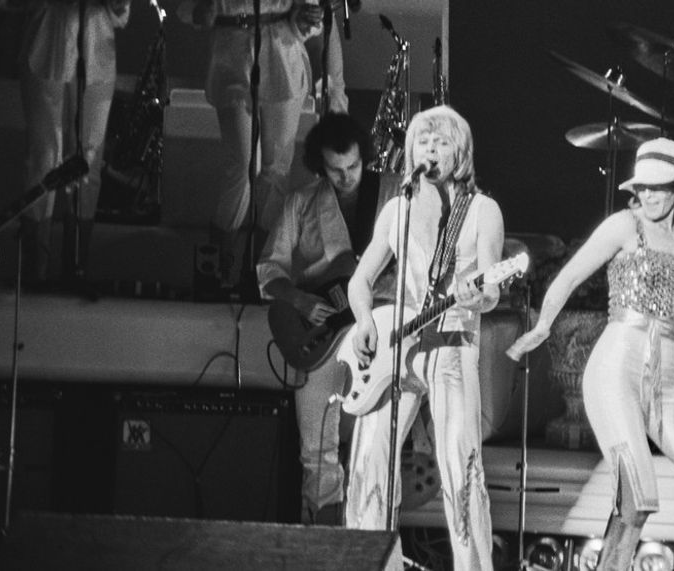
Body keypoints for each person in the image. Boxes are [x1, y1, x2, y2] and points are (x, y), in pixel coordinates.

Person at [507, 138, 674, 569]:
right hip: (615, 370)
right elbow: (567, 278)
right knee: (634, 502)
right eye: (642, 188)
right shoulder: (625, 225)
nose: (648, 196)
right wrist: (543, 326)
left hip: (665, 381)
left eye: (659, 187)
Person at [345, 105, 503, 571]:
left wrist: (478, 297)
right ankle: (370, 561)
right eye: (422, 142)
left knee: (460, 461)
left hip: (453, 342)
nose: (429, 150)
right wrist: (363, 321)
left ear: (461, 151)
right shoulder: (399, 208)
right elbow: (361, 281)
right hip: (399, 342)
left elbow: (491, 288)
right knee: (370, 456)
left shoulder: (482, 211)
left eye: (440, 142)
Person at [257, 113, 397, 523]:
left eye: (353, 166)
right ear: (322, 167)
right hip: (320, 334)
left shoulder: (393, 196)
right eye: (335, 170)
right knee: (316, 443)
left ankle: (371, 536)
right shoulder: (302, 202)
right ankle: (322, 534)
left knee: (377, 444)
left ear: (364, 158)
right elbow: (268, 270)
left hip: (379, 328)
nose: (347, 176)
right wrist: (299, 300)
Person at [179, 0, 336, 287]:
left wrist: (307, 16)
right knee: (240, 164)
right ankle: (217, 266)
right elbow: (190, 9)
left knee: (276, 169)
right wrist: (200, 12)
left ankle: (259, 272)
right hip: (232, 52)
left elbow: (310, 15)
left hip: (281, 50)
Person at [3, 0, 132, 286]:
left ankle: (76, 266)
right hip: (47, 43)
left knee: (88, 161)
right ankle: (35, 270)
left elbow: (121, 12)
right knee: (45, 156)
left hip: (97, 50)